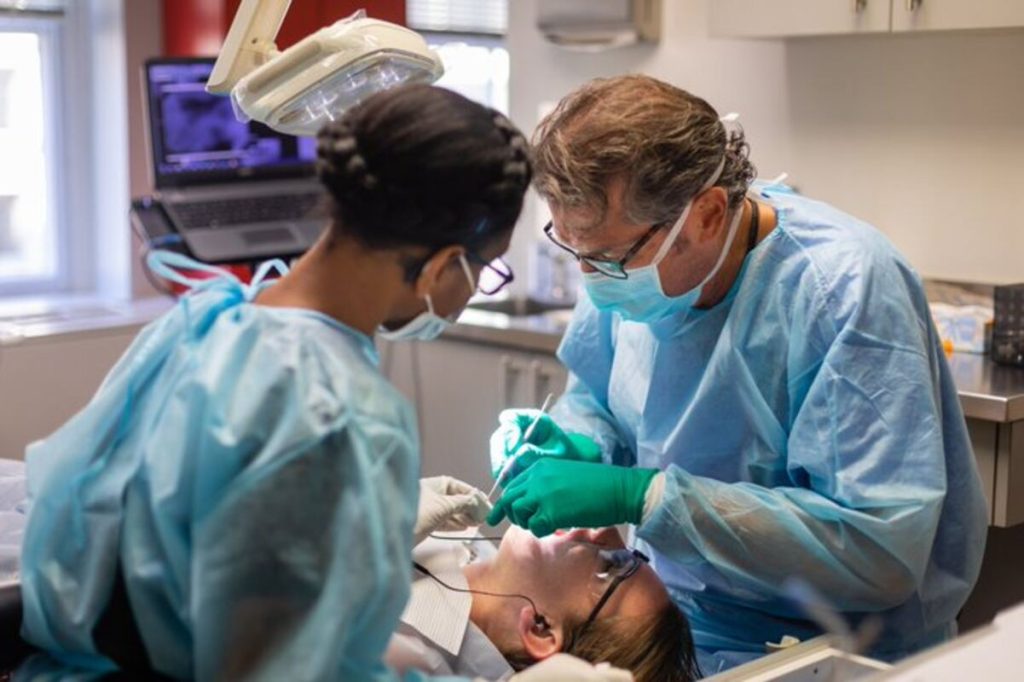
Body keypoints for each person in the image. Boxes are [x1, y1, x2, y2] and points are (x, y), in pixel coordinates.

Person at [16, 84, 625, 681]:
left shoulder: (205, 321)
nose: (468, 296)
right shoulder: (344, 412)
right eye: (482, 272)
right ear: (442, 266)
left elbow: (81, 523)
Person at [487, 75, 989, 674]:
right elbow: (599, 393)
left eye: (606, 259)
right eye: (574, 250)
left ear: (706, 214)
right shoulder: (628, 256)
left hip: (833, 649)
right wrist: (577, 440)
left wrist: (645, 497)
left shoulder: (842, 290)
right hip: (681, 622)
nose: (592, 279)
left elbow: (878, 550)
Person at [397, 482, 698, 681]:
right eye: (630, 552)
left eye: (613, 565)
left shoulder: (408, 654)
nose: (605, 527)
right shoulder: (478, 558)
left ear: (541, 629)